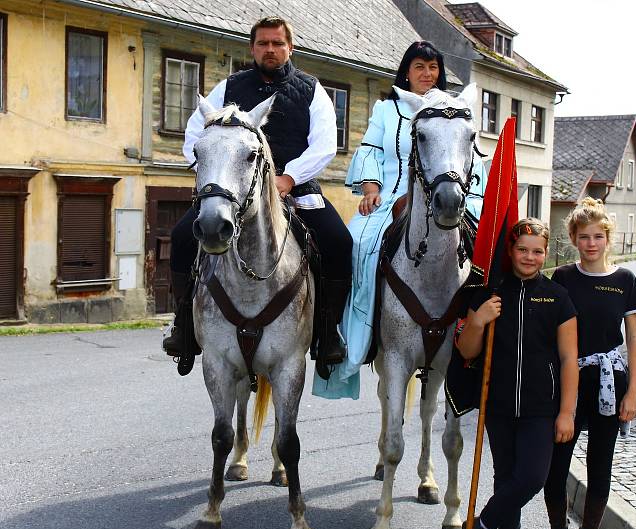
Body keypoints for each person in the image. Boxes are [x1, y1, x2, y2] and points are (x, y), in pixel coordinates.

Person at [163, 17, 353, 379]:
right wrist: (213, 176)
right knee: (182, 237)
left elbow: (326, 144)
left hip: (294, 187)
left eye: (277, 43)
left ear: (290, 48)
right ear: (252, 48)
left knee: (339, 242)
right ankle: (184, 328)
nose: (270, 49)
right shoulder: (228, 87)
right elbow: (195, 136)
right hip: (233, 191)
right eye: (263, 43)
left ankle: (328, 331)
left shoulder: (311, 90)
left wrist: (289, 177)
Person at [311, 41, 486, 399]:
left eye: (433, 67)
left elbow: (472, 156)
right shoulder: (387, 110)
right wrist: (371, 188)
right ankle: (350, 333)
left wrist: (471, 199)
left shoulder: (454, 109)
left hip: (449, 194)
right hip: (389, 196)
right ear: (407, 71)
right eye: (419, 66)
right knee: (355, 242)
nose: (427, 74)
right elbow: (372, 150)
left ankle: (483, 341)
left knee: (486, 254)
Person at [455, 218, 578, 529]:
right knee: (505, 477)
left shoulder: (557, 297)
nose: (529, 256)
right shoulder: (490, 293)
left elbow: (570, 358)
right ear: (509, 251)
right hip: (499, 405)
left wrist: (567, 412)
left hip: (543, 407)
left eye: (537, 251)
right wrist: (478, 320)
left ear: (545, 253)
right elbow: (466, 351)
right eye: (522, 249)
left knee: (532, 477)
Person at [536, 198, 636, 529]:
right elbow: (546, 327)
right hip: (569, 381)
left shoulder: (626, 281)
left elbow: (633, 339)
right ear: (574, 239)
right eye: (584, 237)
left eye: (598, 236)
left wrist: (633, 393)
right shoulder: (562, 277)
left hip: (610, 384)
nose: (592, 243)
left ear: (608, 238)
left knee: (600, 467)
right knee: (554, 466)